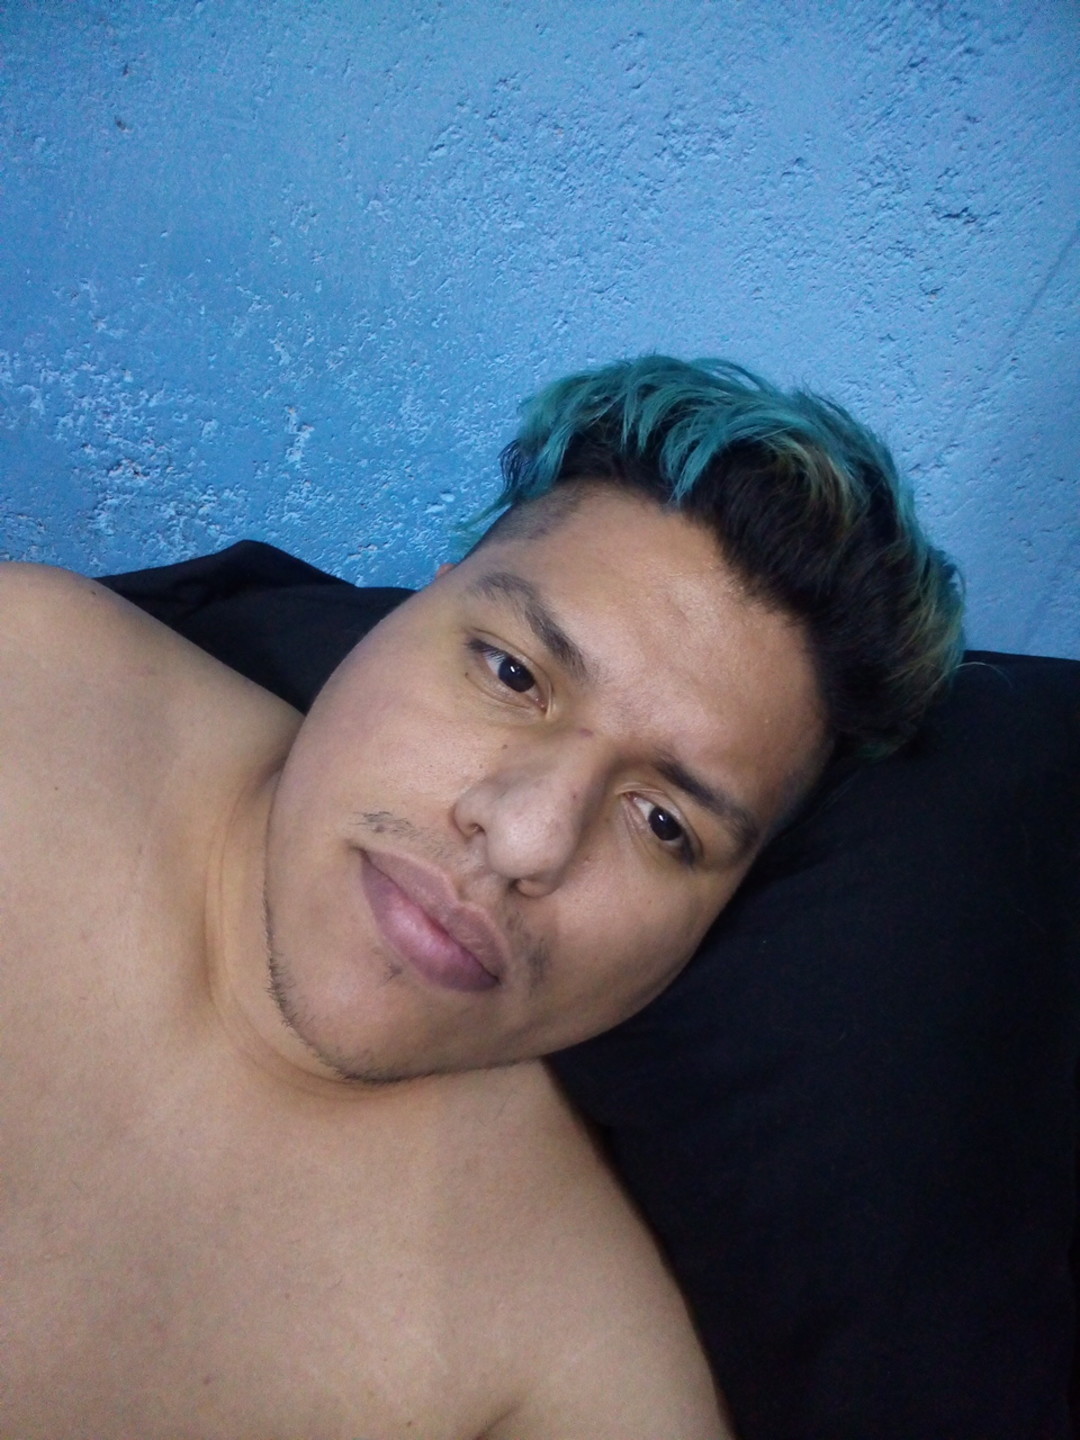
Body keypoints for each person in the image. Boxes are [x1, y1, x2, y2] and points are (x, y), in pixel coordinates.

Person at [0, 356, 961, 1438]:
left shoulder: (562, 1365)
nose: (526, 838)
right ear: (417, 599)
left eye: (663, 824)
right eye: (512, 674)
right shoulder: (26, 688)